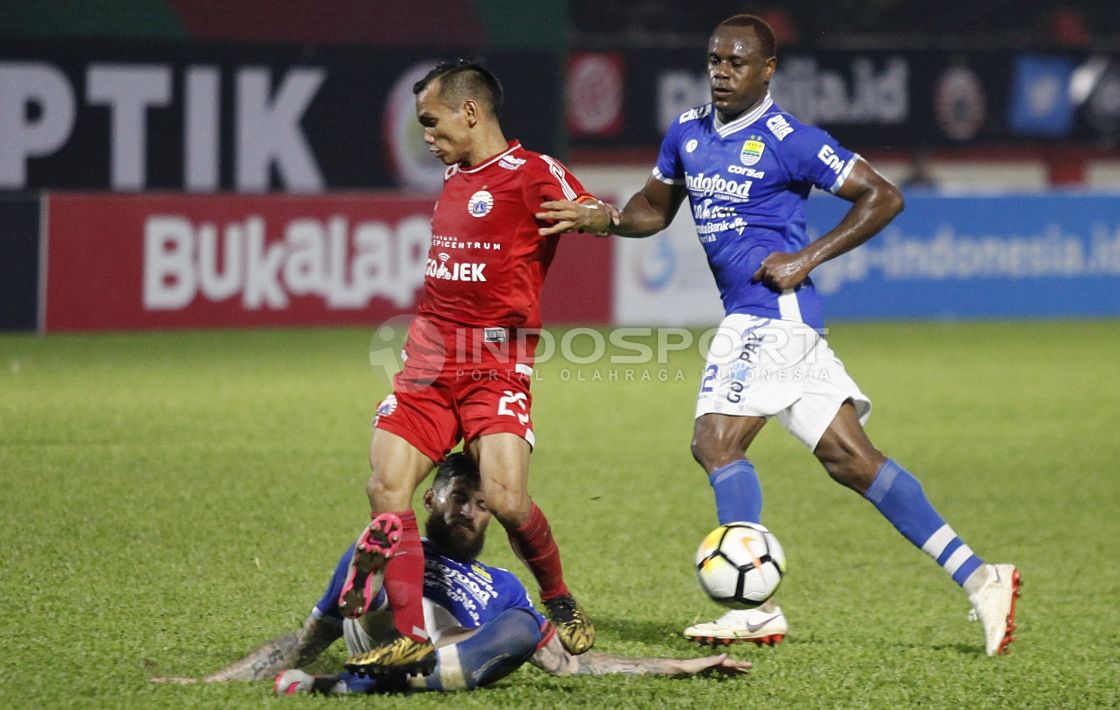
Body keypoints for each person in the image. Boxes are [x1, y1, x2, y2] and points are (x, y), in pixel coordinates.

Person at [541, 14, 1021, 656]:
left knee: (716, 441)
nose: (721, 71)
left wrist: (807, 258)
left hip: (770, 315)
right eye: (714, 59)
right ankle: (983, 578)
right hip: (778, 324)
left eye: (737, 62)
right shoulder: (687, 131)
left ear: (767, 70)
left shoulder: (789, 138)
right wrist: (601, 218)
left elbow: (883, 196)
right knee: (852, 459)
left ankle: (753, 607)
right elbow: (653, 211)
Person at [338, 58, 615, 676]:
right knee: (385, 488)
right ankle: (408, 631)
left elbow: (595, 209)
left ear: (470, 111)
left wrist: (596, 215)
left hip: (495, 362)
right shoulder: (456, 175)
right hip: (430, 358)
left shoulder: (531, 171)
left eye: (432, 123)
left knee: (507, 499)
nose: (426, 137)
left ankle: (559, 600)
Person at [153, 454, 750, 694]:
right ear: (433, 498)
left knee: (520, 623)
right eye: (458, 496)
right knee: (381, 546)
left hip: (447, 652)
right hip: (384, 618)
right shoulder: (410, 540)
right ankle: (360, 643)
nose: (469, 510)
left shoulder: (502, 582)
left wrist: (679, 664)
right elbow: (299, 642)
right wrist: (207, 684)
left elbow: (570, 663)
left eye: (482, 503)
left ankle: (357, 676)